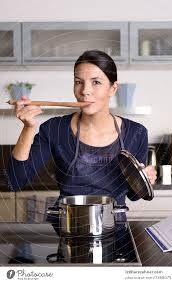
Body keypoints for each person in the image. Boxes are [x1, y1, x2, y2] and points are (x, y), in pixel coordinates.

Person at [6, 49, 156, 208]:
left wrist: (144, 180)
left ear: (113, 88)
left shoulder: (136, 133)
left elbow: (133, 195)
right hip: (69, 227)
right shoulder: (54, 129)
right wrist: (28, 128)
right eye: (79, 82)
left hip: (115, 227)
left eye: (96, 82)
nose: (85, 91)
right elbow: (14, 182)